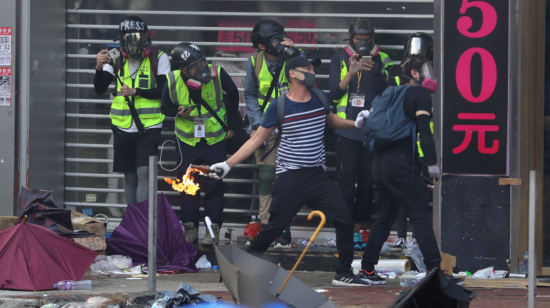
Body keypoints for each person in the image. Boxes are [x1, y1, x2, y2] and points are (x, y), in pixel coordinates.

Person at [208, 56, 372, 286]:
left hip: (318, 175)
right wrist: (228, 164)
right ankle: (238, 269)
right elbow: (256, 141)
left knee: (344, 218)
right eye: (307, 67)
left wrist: (354, 124)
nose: (312, 70)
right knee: (273, 227)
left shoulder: (319, 97)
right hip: (290, 177)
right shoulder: (280, 105)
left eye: (313, 67)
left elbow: (331, 119)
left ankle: (343, 273)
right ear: (293, 73)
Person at [359, 55, 441, 285]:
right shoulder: (419, 94)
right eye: (427, 70)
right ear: (415, 74)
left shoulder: (390, 92)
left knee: (384, 219)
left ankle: (367, 269)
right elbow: (425, 132)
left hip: (380, 162)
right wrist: (433, 164)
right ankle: (435, 271)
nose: (430, 74)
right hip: (402, 162)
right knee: (422, 217)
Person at [160, 43, 241, 246]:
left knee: (214, 184)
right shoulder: (172, 80)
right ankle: (190, 229)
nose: (201, 68)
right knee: (189, 186)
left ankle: (212, 230)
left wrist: (232, 123)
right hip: (187, 140)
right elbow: (165, 108)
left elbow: (233, 95)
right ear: (182, 69)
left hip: (214, 139)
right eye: (195, 66)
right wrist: (178, 111)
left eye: (202, 62)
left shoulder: (218, 74)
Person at [94, 15, 169, 205]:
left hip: (149, 125)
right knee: (129, 175)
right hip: (123, 125)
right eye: (127, 40)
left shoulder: (159, 58)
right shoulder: (115, 57)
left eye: (135, 40)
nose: (132, 46)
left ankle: (144, 223)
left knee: (144, 172)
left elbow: (163, 91)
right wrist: (99, 67)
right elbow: (100, 88)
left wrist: (136, 91)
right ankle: (132, 222)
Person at [329, 17, 387, 251]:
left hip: (371, 132)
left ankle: (359, 228)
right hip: (346, 129)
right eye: (358, 38)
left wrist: (374, 72)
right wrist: (351, 73)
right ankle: (342, 228)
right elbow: (333, 93)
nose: (362, 42)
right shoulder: (339, 58)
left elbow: (390, 91)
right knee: (344, 182)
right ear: (350, 38)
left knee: (366, 181)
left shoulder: (382, 59)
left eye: (366, 39)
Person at [243, 20, 302, 247]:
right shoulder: (254, 62)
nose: (279, 44)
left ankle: (284, 231)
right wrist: (257, 124)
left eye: (281, 38)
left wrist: (295, 54)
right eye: (274, 40)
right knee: (267, 180)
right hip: (266, 130)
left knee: (286, 182)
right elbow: (249, 94)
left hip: (292, 130)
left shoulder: (294, 56)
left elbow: (309, 83)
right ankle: (268, 230)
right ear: (262, 46)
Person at [392, 32, 435, 252]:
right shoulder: (398, 77)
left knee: (422, 194)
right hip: (405, 143)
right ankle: (401, 235)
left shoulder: (433, 75)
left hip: (424, 143)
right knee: (404, 194)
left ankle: (417, 236)